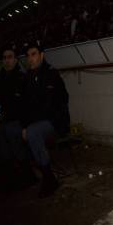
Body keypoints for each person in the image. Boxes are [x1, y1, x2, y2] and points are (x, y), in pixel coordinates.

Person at [20, 41, 70, 198]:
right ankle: (28, 174)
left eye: (34, 54)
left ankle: (49, 178)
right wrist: (24, 126)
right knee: (15, 130)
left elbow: (61, 100)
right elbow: (25, 107)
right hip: (38, 123)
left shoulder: (51, 74)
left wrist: (31, 125)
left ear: (42, 55)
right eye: (28, 55)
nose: (30, 58)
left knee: (33, 132)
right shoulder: (27, 78)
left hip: (55, 123)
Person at [0, 46, 35, 189]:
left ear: (15, 60)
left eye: (10, 57)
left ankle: (29, 176)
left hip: (16, 121)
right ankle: (11, 179)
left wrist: (1, 119)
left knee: (14, 140)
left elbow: (22, 105)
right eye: (4, 57)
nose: (6, 60)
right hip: (2, 121)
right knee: (1, 146)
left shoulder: (22, 78)